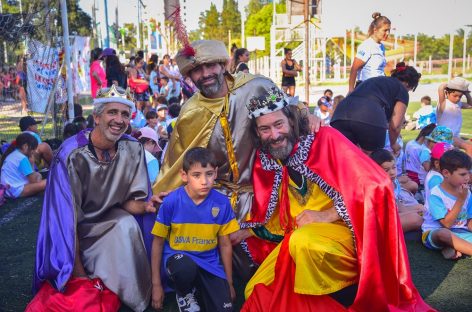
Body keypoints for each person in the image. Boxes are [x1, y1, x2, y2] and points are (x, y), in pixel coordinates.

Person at [236, 84, 430, 311]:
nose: (274, 135)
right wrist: (250, 230)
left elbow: (376, 184)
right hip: (298, 239)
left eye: (278, 124)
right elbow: (278, 214)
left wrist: (327, 215)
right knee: (255, 289)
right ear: (257, 132)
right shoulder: (267, 158)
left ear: (290, 120)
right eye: (265, 129)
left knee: (304, 243)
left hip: (341, 235)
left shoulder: (323, 139)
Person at [154, 40, 320, 282]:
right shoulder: (190, 112)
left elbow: (290, 108)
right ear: (189, 75)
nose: (205, 74)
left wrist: (307, 113)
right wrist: (163, 192)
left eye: (210, 66)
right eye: (196, 70)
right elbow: (178, 162)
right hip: (218, 197)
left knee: (281, 259)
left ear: (224, 65)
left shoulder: (256, 86)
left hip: (264, 192)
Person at [30, 85, 158, 312]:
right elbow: (65, 221)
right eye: (112, 112)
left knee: (127, 224)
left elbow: (129, 202)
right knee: (80, 287)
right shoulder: (71, 155)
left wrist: (147, 205)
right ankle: (87, 276)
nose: (119, 120)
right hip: (76, 229)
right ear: (97, 117)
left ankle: (133, 293)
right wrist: (80, 280)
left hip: (110, 221)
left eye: (125, 114)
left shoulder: (133, 148)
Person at [151, 147, 239, 311]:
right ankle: (184, 292)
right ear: (184, 176)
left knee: (225, 308)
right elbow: (157, 243)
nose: (204, 181)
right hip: (179, 260)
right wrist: (156, 285)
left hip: (209, 263)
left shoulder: (222, 203)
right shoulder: (171, 202)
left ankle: (199, 288)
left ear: (216, 172)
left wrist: (229, 282)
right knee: (184, 269)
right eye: (196, 175)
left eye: (209, 174)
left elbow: (225, 244)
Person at [331, 62, 421, 155]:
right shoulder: (401, 89)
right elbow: (395, 126)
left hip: (340, 115)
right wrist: (393, 143)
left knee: (345, 156)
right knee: (374, 160)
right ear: (407, 84)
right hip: (368, 116)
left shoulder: (375, 81)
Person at [421, 149, 472, 259]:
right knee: (444, 234)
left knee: (454, 237)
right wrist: (460, 199)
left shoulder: (466, 192)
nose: (467, 177)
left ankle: (453, 247)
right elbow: (446, 224)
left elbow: (469, 220)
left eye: (469, 172)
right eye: (463, 174)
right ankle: (455, 246)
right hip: (435, 232)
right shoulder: (436, 194)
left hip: (460, 232)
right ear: (446, 173)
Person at [370, 149, 424, 232]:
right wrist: (413, 213)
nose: (392, 172)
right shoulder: (378, 188)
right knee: (417, 219)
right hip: (381, 222)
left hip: (393, 212)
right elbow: (388, 214)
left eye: (394, 167)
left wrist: (416, 210)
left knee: (420, 208)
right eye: (386, 170)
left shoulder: (392, 181)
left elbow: (398, 205)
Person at [348, 12, 391, 93]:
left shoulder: (382, 47)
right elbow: (354, 69)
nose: (388, 33)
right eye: (385, 30)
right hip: (366, 89)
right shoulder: (366, 46)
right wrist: (351, 90)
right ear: (375, 30)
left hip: (378, 88)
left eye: (389, 30)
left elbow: (379, 71)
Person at [0, 132, 46, 199]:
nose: (34, 151)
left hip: (8, 190)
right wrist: (32, 163)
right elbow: (34, 181)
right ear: (25, 146)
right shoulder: (22, 158)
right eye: (33, 149)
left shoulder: (14, 154)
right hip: (15, 191)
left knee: (39, 176)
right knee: (47, 182)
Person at [436, 77, 472, 156]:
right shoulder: (443, 103)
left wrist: (466, 93)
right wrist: (452, 85)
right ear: (447, 93)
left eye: (460, 96)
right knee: (469, 147)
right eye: (455, 95)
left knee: (455, 157)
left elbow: (470, 105)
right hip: (444, 134)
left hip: (454, 136)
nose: (457, 98)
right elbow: (441, 88)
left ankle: (465, 167)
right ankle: (468, 168)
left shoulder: (459, 104)